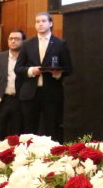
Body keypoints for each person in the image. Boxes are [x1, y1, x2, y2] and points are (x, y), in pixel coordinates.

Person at [15, 12, 72, 141]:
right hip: (30, 94)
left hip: (51, 93)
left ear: (50, 23)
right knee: (29, 131)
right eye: (37, 22)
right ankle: (28, 153)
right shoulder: (27, 44)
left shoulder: (60, 44)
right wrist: (31, 70)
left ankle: (52, 152)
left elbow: (68, 69)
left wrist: (58, 73)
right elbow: (18, 68)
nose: (40, 24)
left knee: (52, 129)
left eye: (43, 21)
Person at [0, 30, 26, 145]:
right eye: (11, 39)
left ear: (23, 41)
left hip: (19, 100)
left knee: (16, 134)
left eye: (17, 39)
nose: (13, 41)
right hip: (1, 99)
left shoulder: (27, 58)